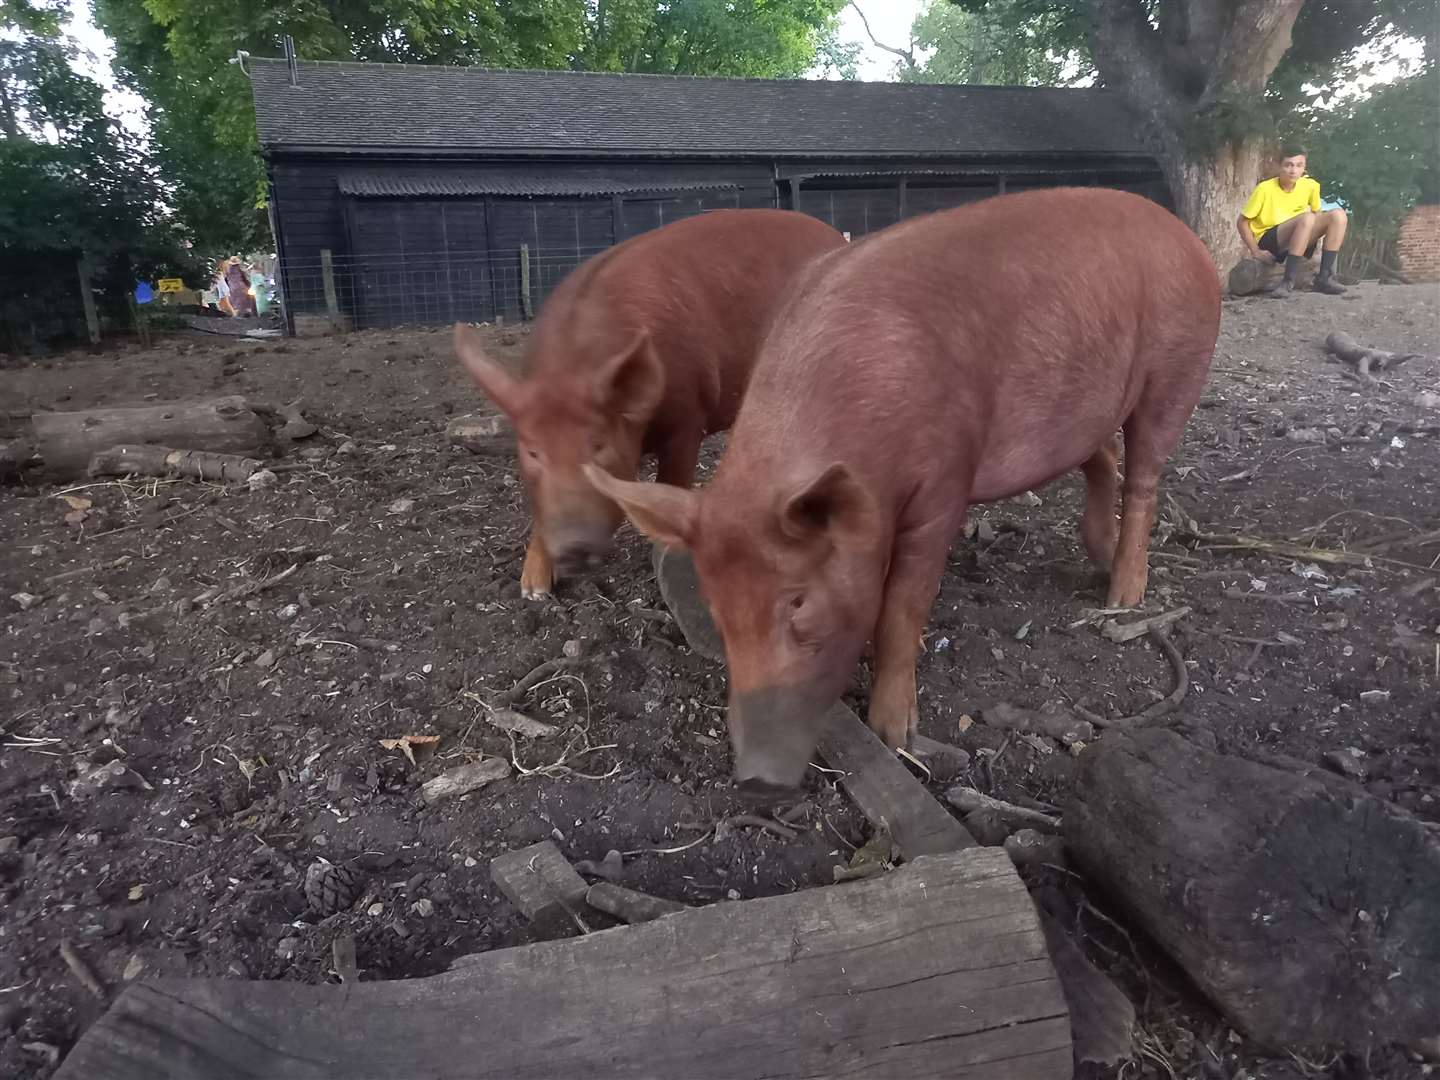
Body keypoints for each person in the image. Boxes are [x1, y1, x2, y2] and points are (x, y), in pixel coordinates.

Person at [1237, 145, 1348, 297]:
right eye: (1288, 165)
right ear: (1279, 166)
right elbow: (1242, 222)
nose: (1293, 170)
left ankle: (1325, 278)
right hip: (1270, 241)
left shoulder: (1311, 186)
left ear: (1304, 167)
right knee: (1308, 217)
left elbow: (1319, 216)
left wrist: (1317, 242)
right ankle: (1287, 281)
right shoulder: (1264, 189)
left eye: (1299, 165)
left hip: (1300, 238)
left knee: (1338, 215)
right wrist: (1255, 251)